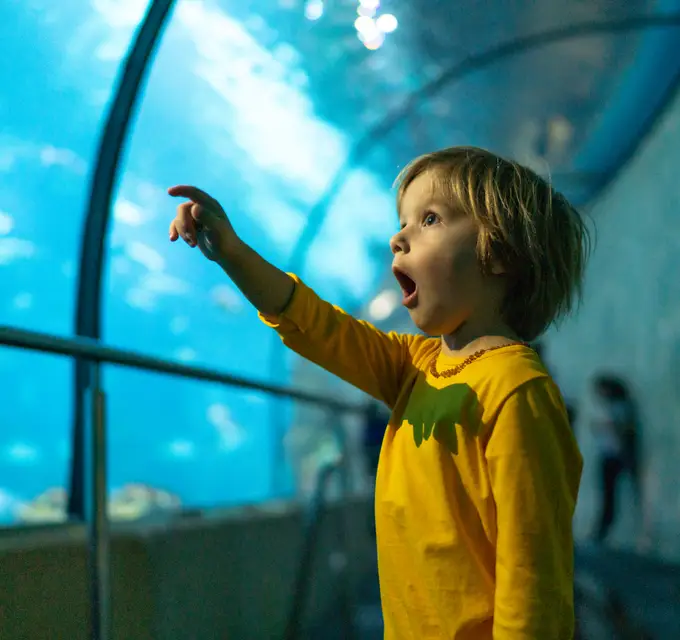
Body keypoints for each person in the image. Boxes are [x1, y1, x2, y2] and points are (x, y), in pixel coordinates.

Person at [167, 146, 589, 639]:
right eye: (402, 221)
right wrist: (234, 255)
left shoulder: (516, 390)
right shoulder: (416, 367)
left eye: (429, 219)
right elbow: (314, 324)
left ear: (497, 253)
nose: (398, 237)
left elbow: (534, 577)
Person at [590, 374, 642, 543]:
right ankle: (605, 530)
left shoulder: (619, 407)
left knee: (610, 496)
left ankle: (604, 531)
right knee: (610, 496)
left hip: (615, 457)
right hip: (611, 456)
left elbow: (624, 432)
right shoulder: (616, 406)